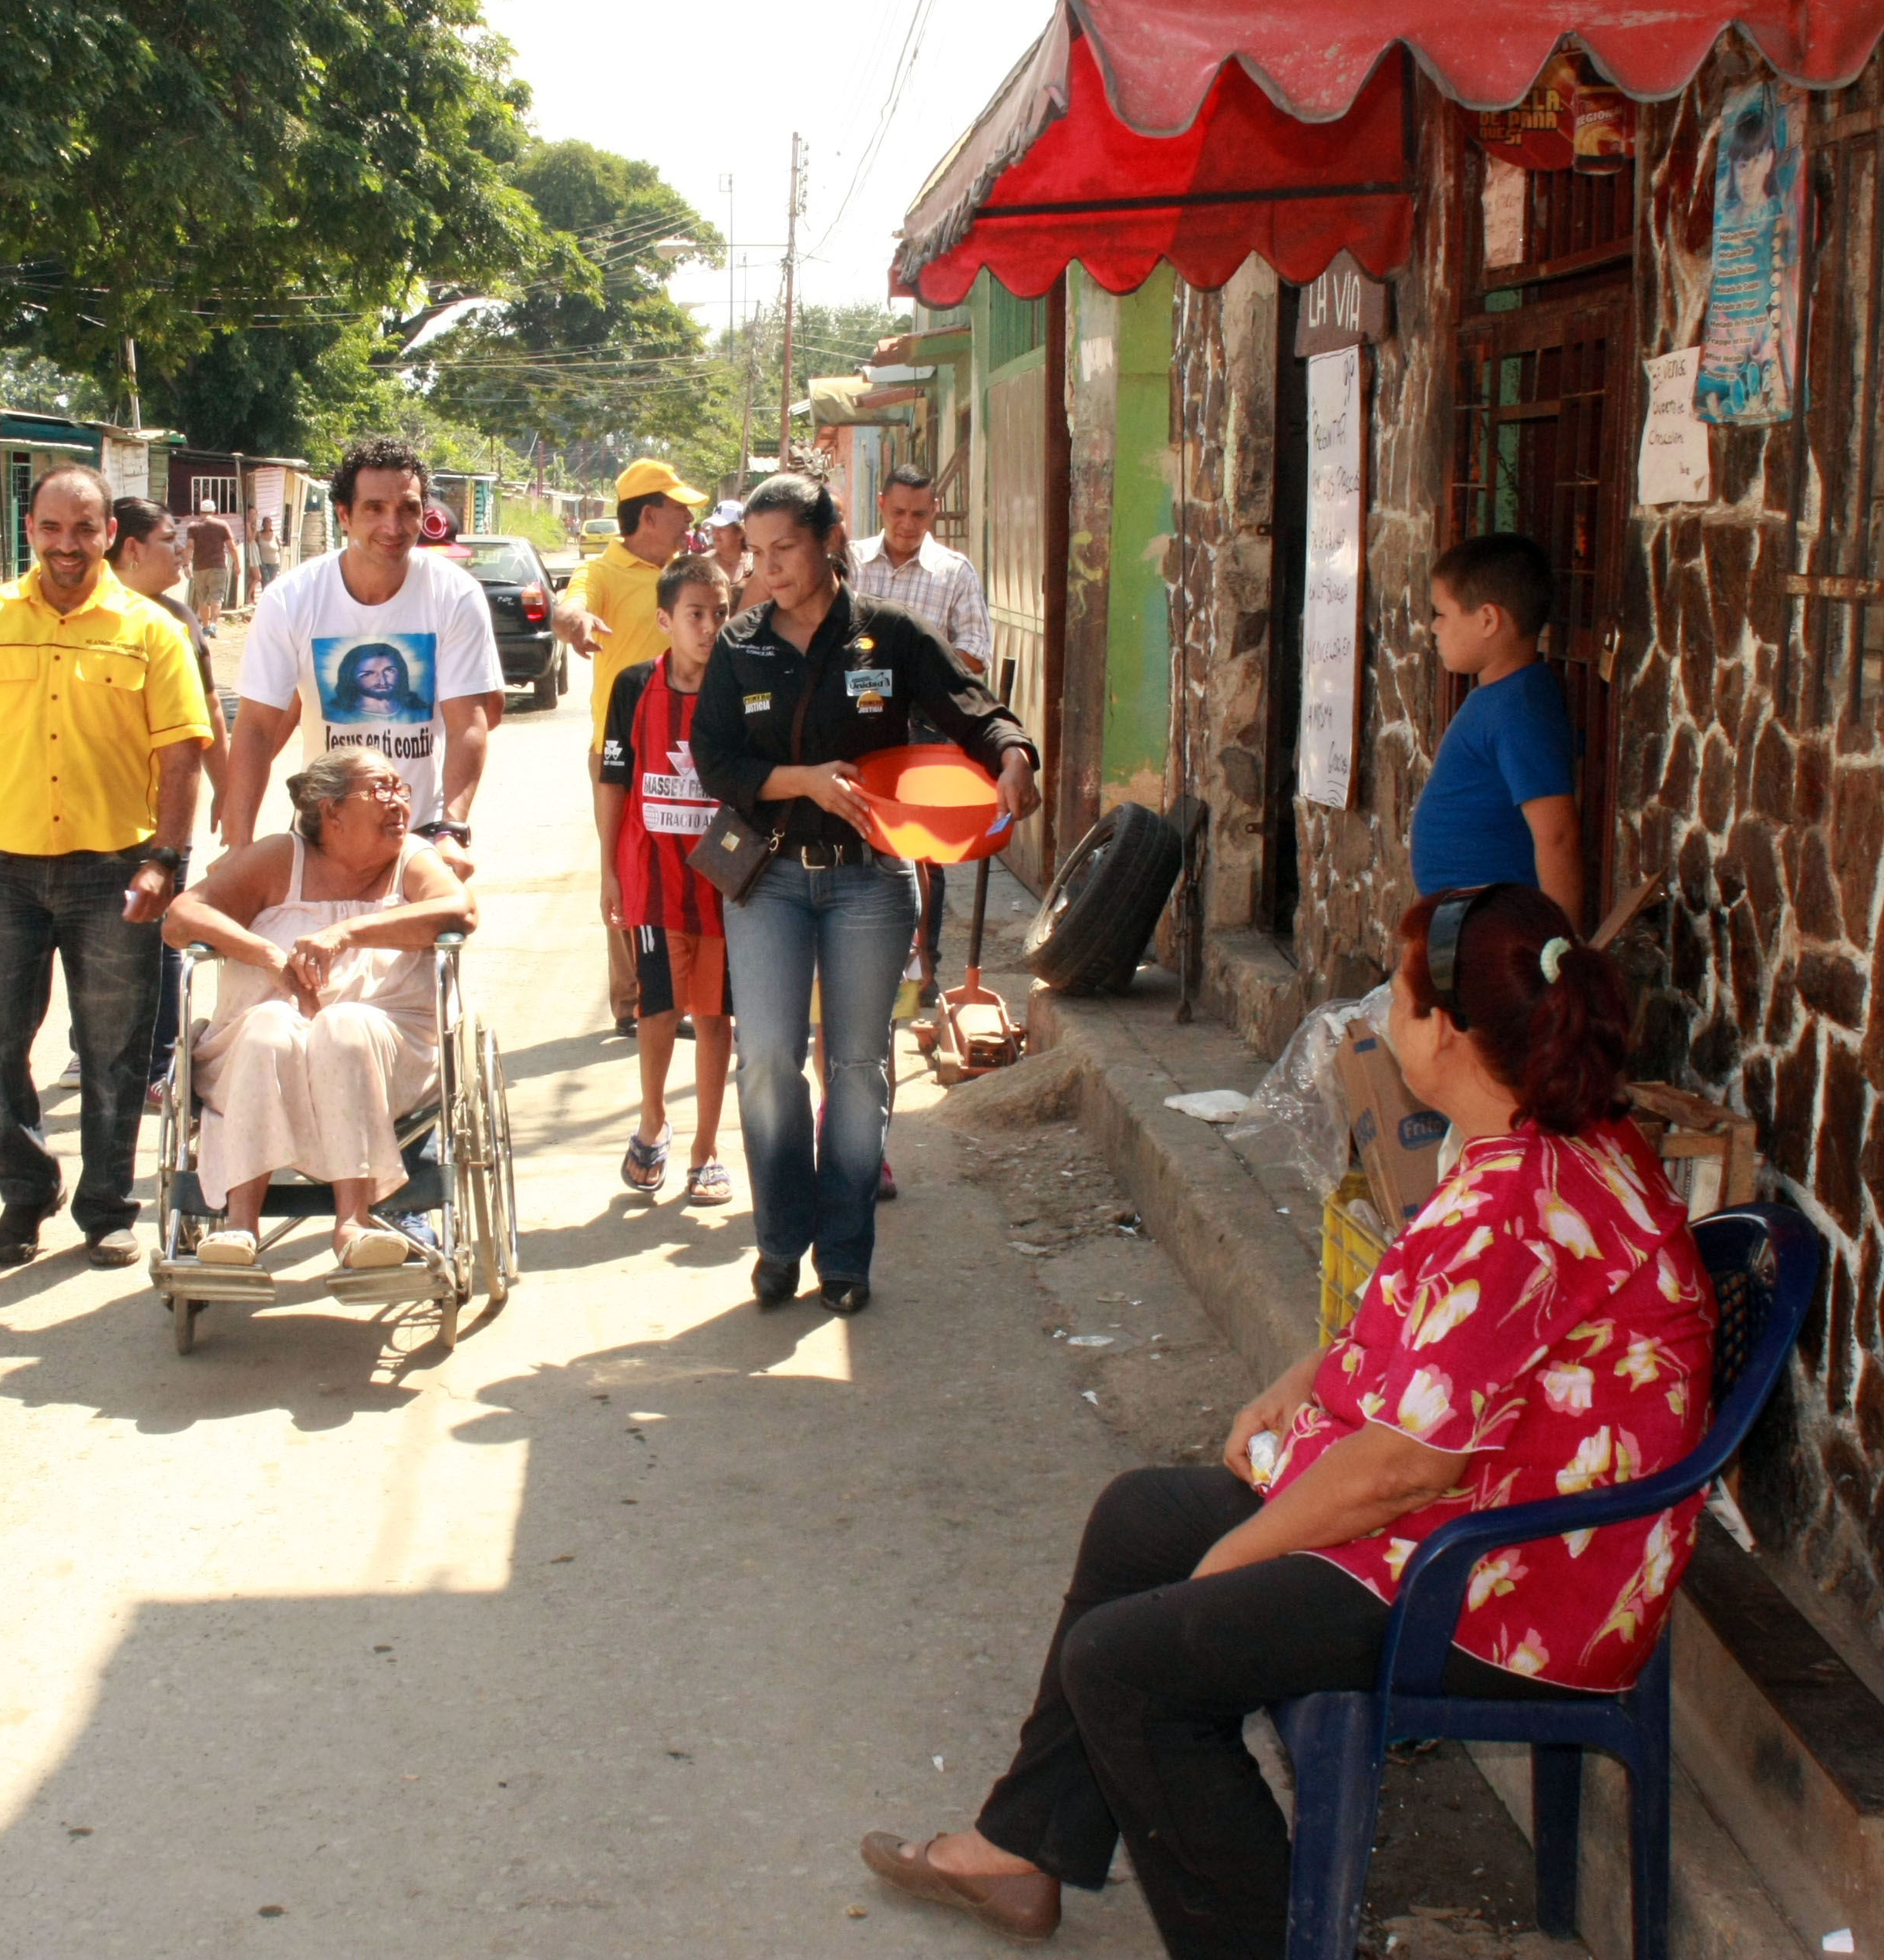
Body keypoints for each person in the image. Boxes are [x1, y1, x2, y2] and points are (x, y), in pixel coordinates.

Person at [859, 883, 1714, 1959]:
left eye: (1394, 1001)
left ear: (1445, 1032)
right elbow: (1447, 1336)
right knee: (1136, 1521)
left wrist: (1231, 1562)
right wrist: (1312, 1376)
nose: (1376, 1022)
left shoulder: (1522, 1208)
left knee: (1131, 1668)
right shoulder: (1548, 1138)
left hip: (1510, 1585)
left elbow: (1403, 1470)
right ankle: (1023, 1849)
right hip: (1487, 1524)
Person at [689, 472, 1036, 1314]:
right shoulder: (741, 648)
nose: (770, 569)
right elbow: (717, 763)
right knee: (769, 1062)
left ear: (827, 538)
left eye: (787, 550)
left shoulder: (891, 635)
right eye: (759, 554)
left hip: (870, 885)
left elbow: (973, 710)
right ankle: (779, 1242)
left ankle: (844, 1257)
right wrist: (801, 779)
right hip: (768, 880)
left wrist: (1013, 756)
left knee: (855, 1068)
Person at [0, 464, 214, 1270]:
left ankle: (107, 1207)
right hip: (0, 870)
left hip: (114, 871)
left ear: (110, 534)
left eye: (84, 530)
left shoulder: (152, 630)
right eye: (51, 529)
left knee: (114, 1048)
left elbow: (181, 757)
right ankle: (26, 1185)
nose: (67, 546)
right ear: (29, 530)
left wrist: (165, 862)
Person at [168, 748, 475, 1270]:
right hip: (260, 1055)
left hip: (390, 1053)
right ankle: (239, 1228)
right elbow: (181, 916)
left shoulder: (414, 860)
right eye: (380, 790)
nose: (399, 801)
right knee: (268, 1024)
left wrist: (344, 933)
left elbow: (459, 911)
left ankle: (352, 1223)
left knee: (344, 1025)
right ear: (330, 811)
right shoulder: (277, 859)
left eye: (401, 789)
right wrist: (265, 954)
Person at [223, 435, 502, 877]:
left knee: (419, 941)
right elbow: (257, 726)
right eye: (374, 508)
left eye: (408, 509)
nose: (393, 527)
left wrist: (453, 827)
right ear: (344, 516)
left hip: (418, 833)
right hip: (322, 831)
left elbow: (469, 719)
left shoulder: (454, 594)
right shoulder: (290, 600)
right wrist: (239, 841)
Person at [551, 458, 709, 1037]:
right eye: (678, 507)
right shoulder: (602, 572)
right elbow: (571, 605)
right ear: (649, 514)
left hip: (689, 752)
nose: (688, 516)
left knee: (691, 867)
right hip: (620, 755)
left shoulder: (685, 573)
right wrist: (575, 621)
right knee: (624, 872)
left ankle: (684, 994)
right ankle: (632, 1003)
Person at [597, 552, 735, 1206]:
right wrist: (608, 872)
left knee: (714, 1016)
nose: (709, 628)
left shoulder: (738, 688)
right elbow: (614, 782)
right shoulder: (632, 687)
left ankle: (707, 1150)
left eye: (720, 614)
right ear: (664, 619)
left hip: (724, 883)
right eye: (696, 615)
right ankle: (652, 1121)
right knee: (657, 1009)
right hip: (651, 880)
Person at [848, 461, 995, 1000]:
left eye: (920, 513)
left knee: (926, 851)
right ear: (882, 505)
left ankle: (923, 970)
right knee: (860, 840)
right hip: (858, 721)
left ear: (933, 512)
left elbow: (976, 652)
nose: (909, 524)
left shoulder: (954, 572)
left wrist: (915, 667)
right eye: (900, 512)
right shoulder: (851, 564)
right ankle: (860, 963)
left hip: (928, 726)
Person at [107, 496, 231, 1109]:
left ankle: (157, 1063)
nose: (182, 548)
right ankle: (97, 1048)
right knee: (98, 941)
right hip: (91, 816)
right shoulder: (88, 617)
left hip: (161, 816)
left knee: (162, 941)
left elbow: (207, 713)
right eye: (167, 538)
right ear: (130, 547)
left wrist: (230, 790)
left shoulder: (180, 619)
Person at [1411, 531, 1582, 926]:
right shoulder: (1496, 697)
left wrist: (1563, 953)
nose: (1434, 627)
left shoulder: (1520, 709)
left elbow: (1557, 836)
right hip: (1462, 919)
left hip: (1491, 926)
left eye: (1442, 614)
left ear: (1488, 619)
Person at [703, 498, 770, 612]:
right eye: (713, 528)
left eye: (722, 529)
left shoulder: (757, 565)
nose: (715, 533)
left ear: (740, 532)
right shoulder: (702, 564)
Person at [184, 498, 240, 619]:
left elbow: (189, 546)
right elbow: (231, 546)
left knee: (202, 598)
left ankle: (205, 626)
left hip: (199, 567)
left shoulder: (193, 527)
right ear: (214, 511)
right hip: (217, 566)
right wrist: (237, 564)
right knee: (217, 596)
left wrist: (185, 565)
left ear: (201, 511)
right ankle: (213, 625)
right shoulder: (222, 525)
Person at [253, 512, 283, 602]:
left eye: (269, 523)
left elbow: (280, 548)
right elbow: (255, 546)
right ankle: (265, 599)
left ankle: (271, 599)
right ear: (263, 524)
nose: (267, 525)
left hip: (274, 563)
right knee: (265, 580)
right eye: (266, 523)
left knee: (273, 582)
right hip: (263, 562)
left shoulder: (275, 536)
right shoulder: (259, 535)